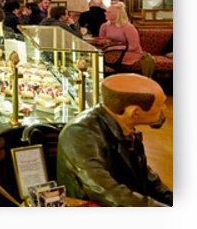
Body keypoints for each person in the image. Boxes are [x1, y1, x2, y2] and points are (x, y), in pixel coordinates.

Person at [57, 73, 171, 206]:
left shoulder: (122, 124)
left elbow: (147, 177)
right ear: (135, 112)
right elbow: (105, 191)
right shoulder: (79, 133)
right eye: (160, 104)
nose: (165, 108)